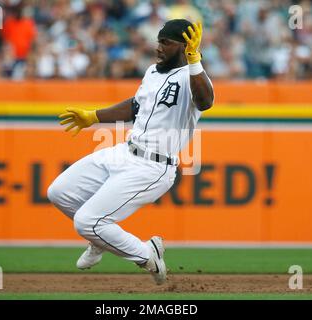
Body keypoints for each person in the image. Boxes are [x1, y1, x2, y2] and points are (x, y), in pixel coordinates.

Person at [47, 19, 214, 285]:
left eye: (166, 42)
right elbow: (136, 107)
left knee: (86, 222)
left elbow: (206, 101)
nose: (158, 47)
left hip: (154, 166)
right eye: (158, 40)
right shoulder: (152, 72)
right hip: (125, 151)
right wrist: (93, 116)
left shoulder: (193, 76)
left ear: (184, 47)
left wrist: (195, 61)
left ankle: (147, 254)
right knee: (58, 192)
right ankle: (100, 240)